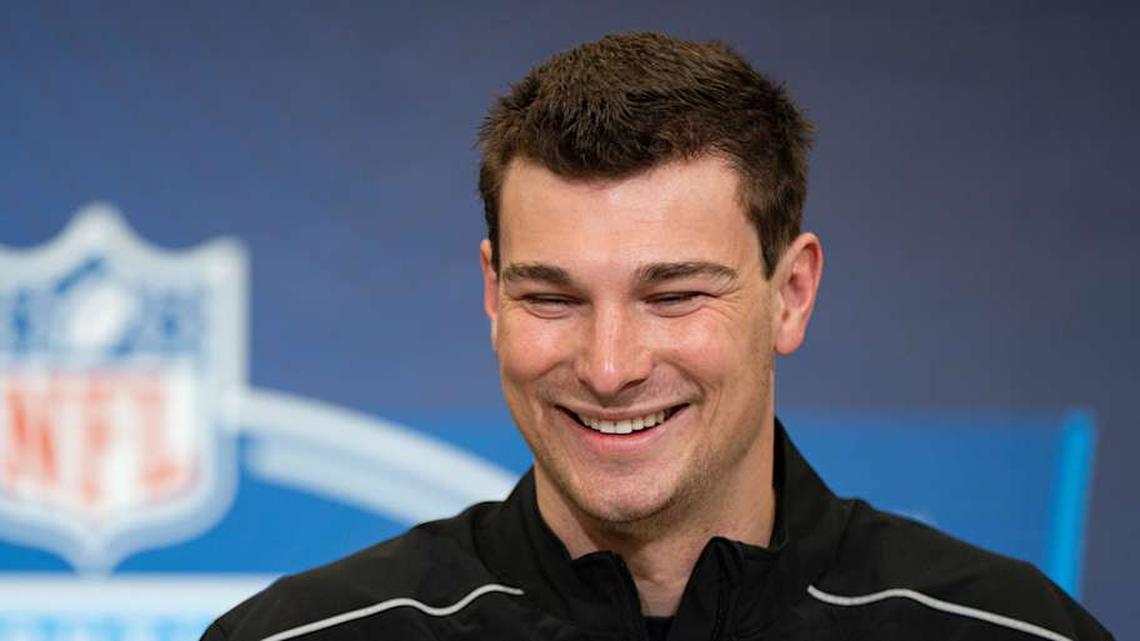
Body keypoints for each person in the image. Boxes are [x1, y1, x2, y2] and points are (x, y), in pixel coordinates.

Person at [202, 32, 1112, 641]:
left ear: (790, 294)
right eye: (552, 298)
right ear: (491, 295)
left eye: (673, 295)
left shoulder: (1010, 630)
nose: (608, 367)